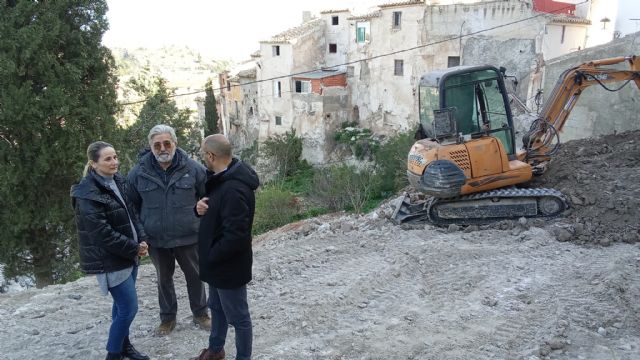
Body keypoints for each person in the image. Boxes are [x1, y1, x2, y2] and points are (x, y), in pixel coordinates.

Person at [127, 125, 210, 335]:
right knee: (163, 279)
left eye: (166, 143)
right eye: (157, 145)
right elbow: (132, 208)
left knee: (195, 276)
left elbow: (208, 197)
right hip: (156, 239)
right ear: (150, 147)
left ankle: (200, 313)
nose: (162, 148)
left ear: (175, 143)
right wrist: (140, 236)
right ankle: (168, 319)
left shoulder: (193, 168)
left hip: (188, 236)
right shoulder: (138, 173)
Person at [70, 141, 150, 360]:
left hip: (130, 255)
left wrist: (141, 239)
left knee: (120, 307)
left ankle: (124, 347)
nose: (114, 162)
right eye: (108, 159)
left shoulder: (118, 180)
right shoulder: (87, 193)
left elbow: (132, 213)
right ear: (93, 164)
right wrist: (134, 247)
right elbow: (101, 234)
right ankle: (113, 354)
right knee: (128, 309)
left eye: (115, 157)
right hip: (110, 260)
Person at [194, 134, 259, 360]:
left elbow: (236, 236)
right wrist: (199, 208)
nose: (203, 158)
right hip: (216, 263)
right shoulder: (221, 177)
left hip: (228, 265)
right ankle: (215, 350)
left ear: (211, 156)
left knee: (239, 318)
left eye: (204, 154)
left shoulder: (234, 188)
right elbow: (216, 212)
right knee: (217, 307)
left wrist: (211, 255)